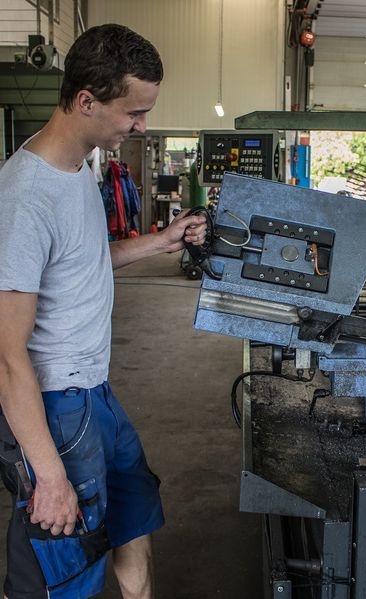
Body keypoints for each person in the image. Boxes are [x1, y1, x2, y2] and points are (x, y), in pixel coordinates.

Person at [0, 24, 207, 599]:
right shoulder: (24, 198)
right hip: (56, 409)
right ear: (87, 101)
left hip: (97, 397)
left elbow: (85, 260)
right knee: (70, 567)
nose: (142, 126)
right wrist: (48, 475)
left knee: (133, 524)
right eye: (134, 112)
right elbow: (6, 355)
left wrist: (163, 240)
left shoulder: (80, 172)